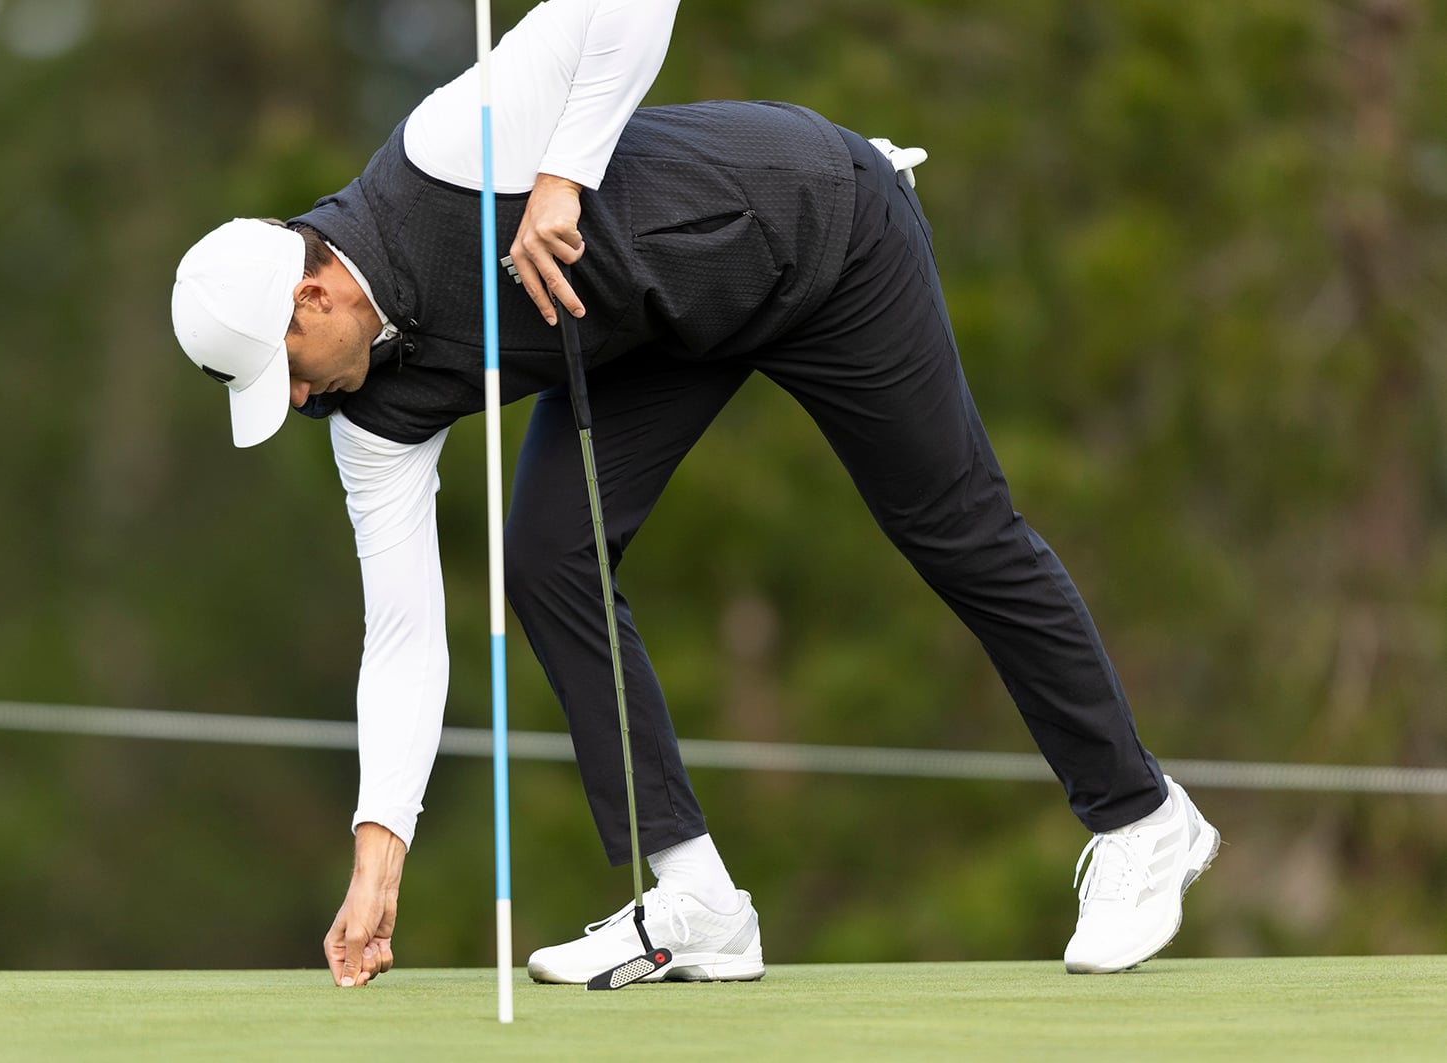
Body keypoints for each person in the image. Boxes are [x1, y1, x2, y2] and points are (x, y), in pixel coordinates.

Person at [169, 0, 1220, 988]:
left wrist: (559, 177)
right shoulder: (366, 412)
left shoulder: (449, 148)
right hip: (659, 324)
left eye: (291, 368)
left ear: (315, 293)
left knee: (952, 527)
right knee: (548, 556)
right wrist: (377, 843)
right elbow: (401, 635)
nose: (299, 399)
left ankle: (1141, 821)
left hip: (828, 233)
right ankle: (698, 902)